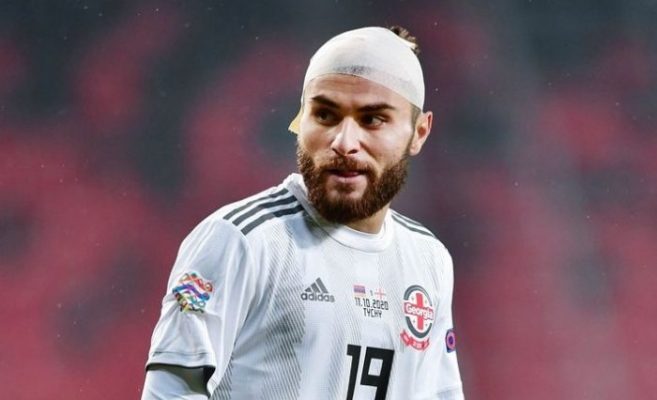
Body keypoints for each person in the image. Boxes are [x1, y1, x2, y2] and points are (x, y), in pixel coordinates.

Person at [142, 26, 464, 400]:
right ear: (301, 120)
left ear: (419, 132)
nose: (344, 142)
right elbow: (170, 393)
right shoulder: (240, 241)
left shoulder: (429, 259)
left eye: (372, 119)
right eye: (325, 115)